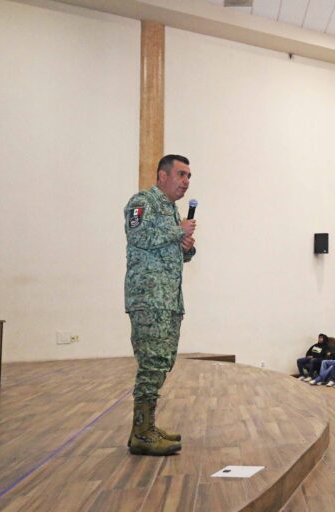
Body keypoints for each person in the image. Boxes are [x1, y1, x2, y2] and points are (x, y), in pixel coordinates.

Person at [124, 154, 196, 456]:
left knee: (162, 361)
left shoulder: (171, 210)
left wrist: (187, 248)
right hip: (148, 297)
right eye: (181, 174)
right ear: (162, 176)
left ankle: (147, 426)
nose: (186, 181)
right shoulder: (143, 202)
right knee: (151, 362)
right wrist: (178, 230)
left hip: (169, 299)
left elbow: (172, 251)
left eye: (189, 176)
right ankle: (141, 432)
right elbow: (138, 234)